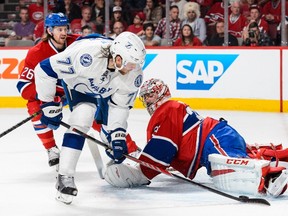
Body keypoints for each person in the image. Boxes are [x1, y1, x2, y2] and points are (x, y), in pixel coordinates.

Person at [104, 78, 288, 198]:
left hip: (213, 139)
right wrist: (135, 156)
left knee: (233, 167)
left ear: (160, 92)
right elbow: (168, 150)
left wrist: (141, 172)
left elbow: (163, 149)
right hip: (215, 139)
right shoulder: (171, 110)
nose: (146, 101)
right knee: (229, 166)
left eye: (149, 95)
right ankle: (281, 157)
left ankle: (274, 177)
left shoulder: (167, 109)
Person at [33, 31, 146, 204]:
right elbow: (43, 69)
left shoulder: (133, 72)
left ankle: (111, 151)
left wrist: (117, 134)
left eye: (136, 64)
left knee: (113, 134)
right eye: (130, 63)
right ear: (117, 56)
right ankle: (65, 176)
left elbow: (120, 106)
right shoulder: (86, 55)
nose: (132, 67)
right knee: (83, 116)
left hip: (107, 88)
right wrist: (48, 103)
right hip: (80, 83)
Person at [16, 13, 79, 168]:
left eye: (65, 28)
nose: (64, 33)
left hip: (75, 91)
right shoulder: (36, 52)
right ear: (50, 31)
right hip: (50, 96)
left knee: (95, 111)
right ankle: (51, 149)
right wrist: (46, 97)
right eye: (59, 29)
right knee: (34, 108)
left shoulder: (77, 44)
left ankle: (126, 146)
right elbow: (23, 86)